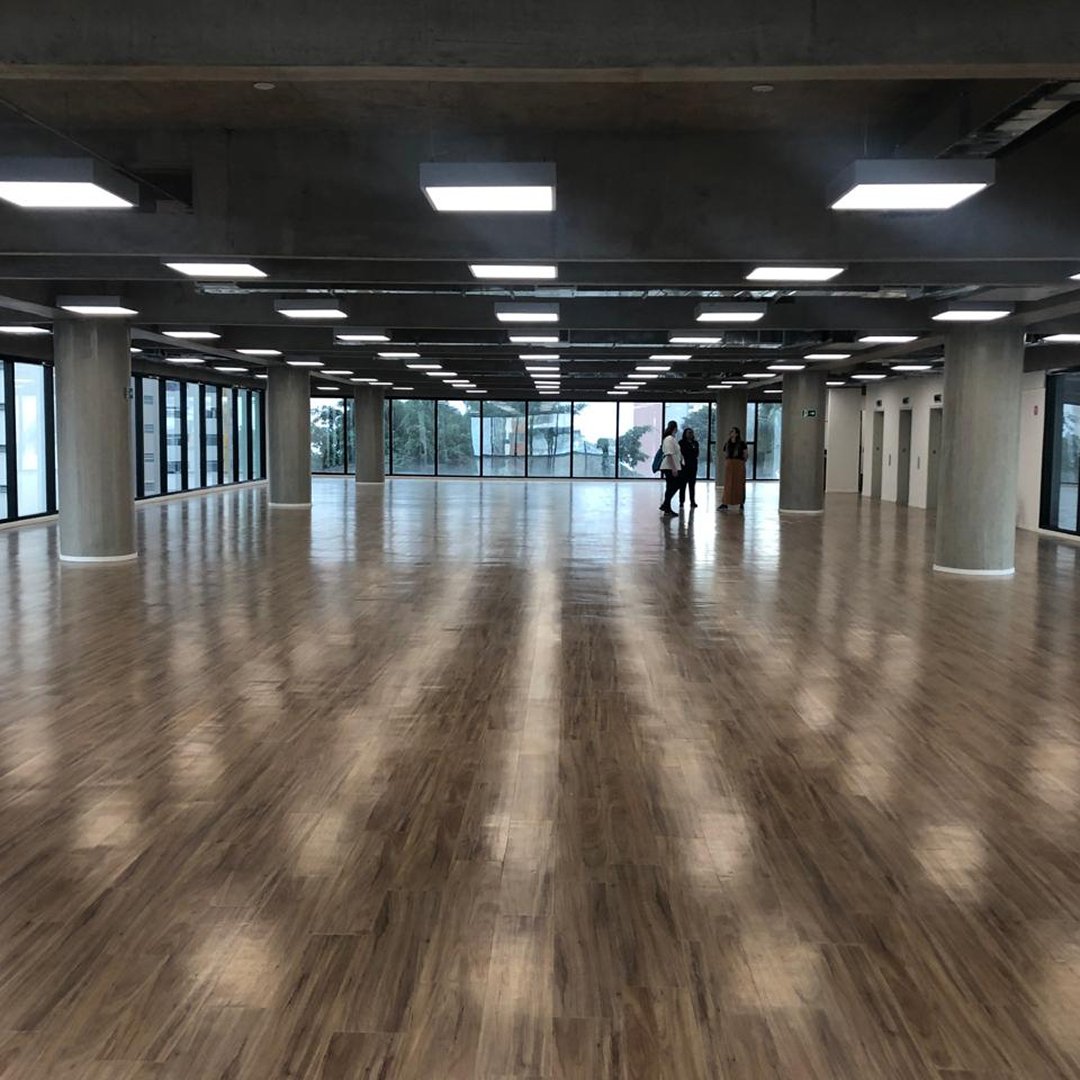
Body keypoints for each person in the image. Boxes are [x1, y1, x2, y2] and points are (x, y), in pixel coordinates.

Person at [718, 426, 747, 512]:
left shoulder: (742, 443)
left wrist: (741, 462)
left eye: (732, 431)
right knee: (728, 484)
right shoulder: (728, 443)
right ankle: (725, 503)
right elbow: (725, 454)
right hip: (730, 464)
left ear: (737, 434)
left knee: (739, 484)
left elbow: (745, 454)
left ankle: (741, 503)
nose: (730, 433)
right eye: (730, 431)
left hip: (739, 464)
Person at [658, 420, 683, 516]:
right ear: (675, 428)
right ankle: (666, 505)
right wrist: (674, 468)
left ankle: (667, 508)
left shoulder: (672, 439)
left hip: (672, 466)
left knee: (670, 487)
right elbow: (669, 454)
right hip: (669, 466)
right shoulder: (669, 439)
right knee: (675, 485)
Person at [678, 426, 700, 509]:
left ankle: (692, 501)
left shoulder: (695, 443)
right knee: (682, 485)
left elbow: (696, 453)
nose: (690, 434)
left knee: (692, 484)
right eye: (689, 433)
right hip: (684, 466)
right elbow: (682, 453)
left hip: (693, 466)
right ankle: (681, 502)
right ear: (685, 434)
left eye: (691, 433)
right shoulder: (681, 443)